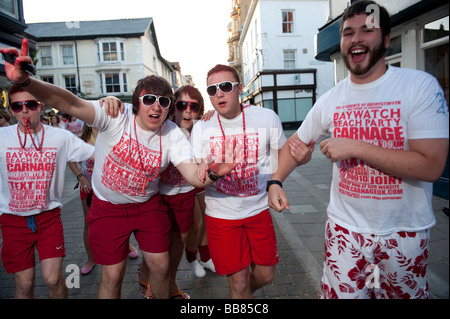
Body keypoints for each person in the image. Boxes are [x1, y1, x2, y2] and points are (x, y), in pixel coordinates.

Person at [2, 39, 242, 299]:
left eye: (164, 102)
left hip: (147, 205)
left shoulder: (172, 134)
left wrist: (215, 171)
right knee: (113, 275)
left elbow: (194, 175)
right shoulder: (115, 115)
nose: (157, 106)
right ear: (136, 103)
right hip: (108, 207)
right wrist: (27, 82)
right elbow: (68, 102)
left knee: (161, 266)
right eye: (149, 99)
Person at [268, 0, 449, 299]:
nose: (356, 39)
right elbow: (296, 144)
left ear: (387, 39)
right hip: (346, 231)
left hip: (404, 233)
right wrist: (275, 180)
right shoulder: (331, 98)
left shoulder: (419, 87)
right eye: (348, 32)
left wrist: (355, 147)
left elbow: (431, 166)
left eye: (367, 30)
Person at [191, 64, 287, 298]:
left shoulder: (265, 117)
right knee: (239, 283)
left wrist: (276, 182)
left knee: (266, 275)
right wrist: (205, 169)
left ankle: (244, 295)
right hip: (222, 217)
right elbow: (196, 175)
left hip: (258, 210)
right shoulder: (202, 127)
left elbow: (283, 154)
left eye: (225, 86)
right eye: (212, 90)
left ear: (240, 88)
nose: (219, 94)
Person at [0, 86, 95, 298]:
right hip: (13, 221)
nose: (25, 110)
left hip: (48, 219)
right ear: (12, 110)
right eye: (18, 105)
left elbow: (97, 155)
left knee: (52, 279)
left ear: (41, 107)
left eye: (30, 104)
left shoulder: (60, 137)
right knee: (24, 285)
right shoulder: (2, 137)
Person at [138, 85, 215, 299]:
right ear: (173, 107)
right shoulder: (162, 127)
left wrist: (212, 115)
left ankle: (169, 285)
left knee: (177, 245)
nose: (187, 111)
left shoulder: (202, 130)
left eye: (194, 106)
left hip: (186, 195)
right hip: (159, 197)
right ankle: (149, 282)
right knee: (157, 249)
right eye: (182, 105)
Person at [68, 124, 139, 276]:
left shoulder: (111, 136)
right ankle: (90, 259)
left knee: (118, 221)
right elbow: (71, 160)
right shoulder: (82, 140)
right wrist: (81, 177)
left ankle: (127, 246)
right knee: (89, 223)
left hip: (110, 187)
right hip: (89, 188)